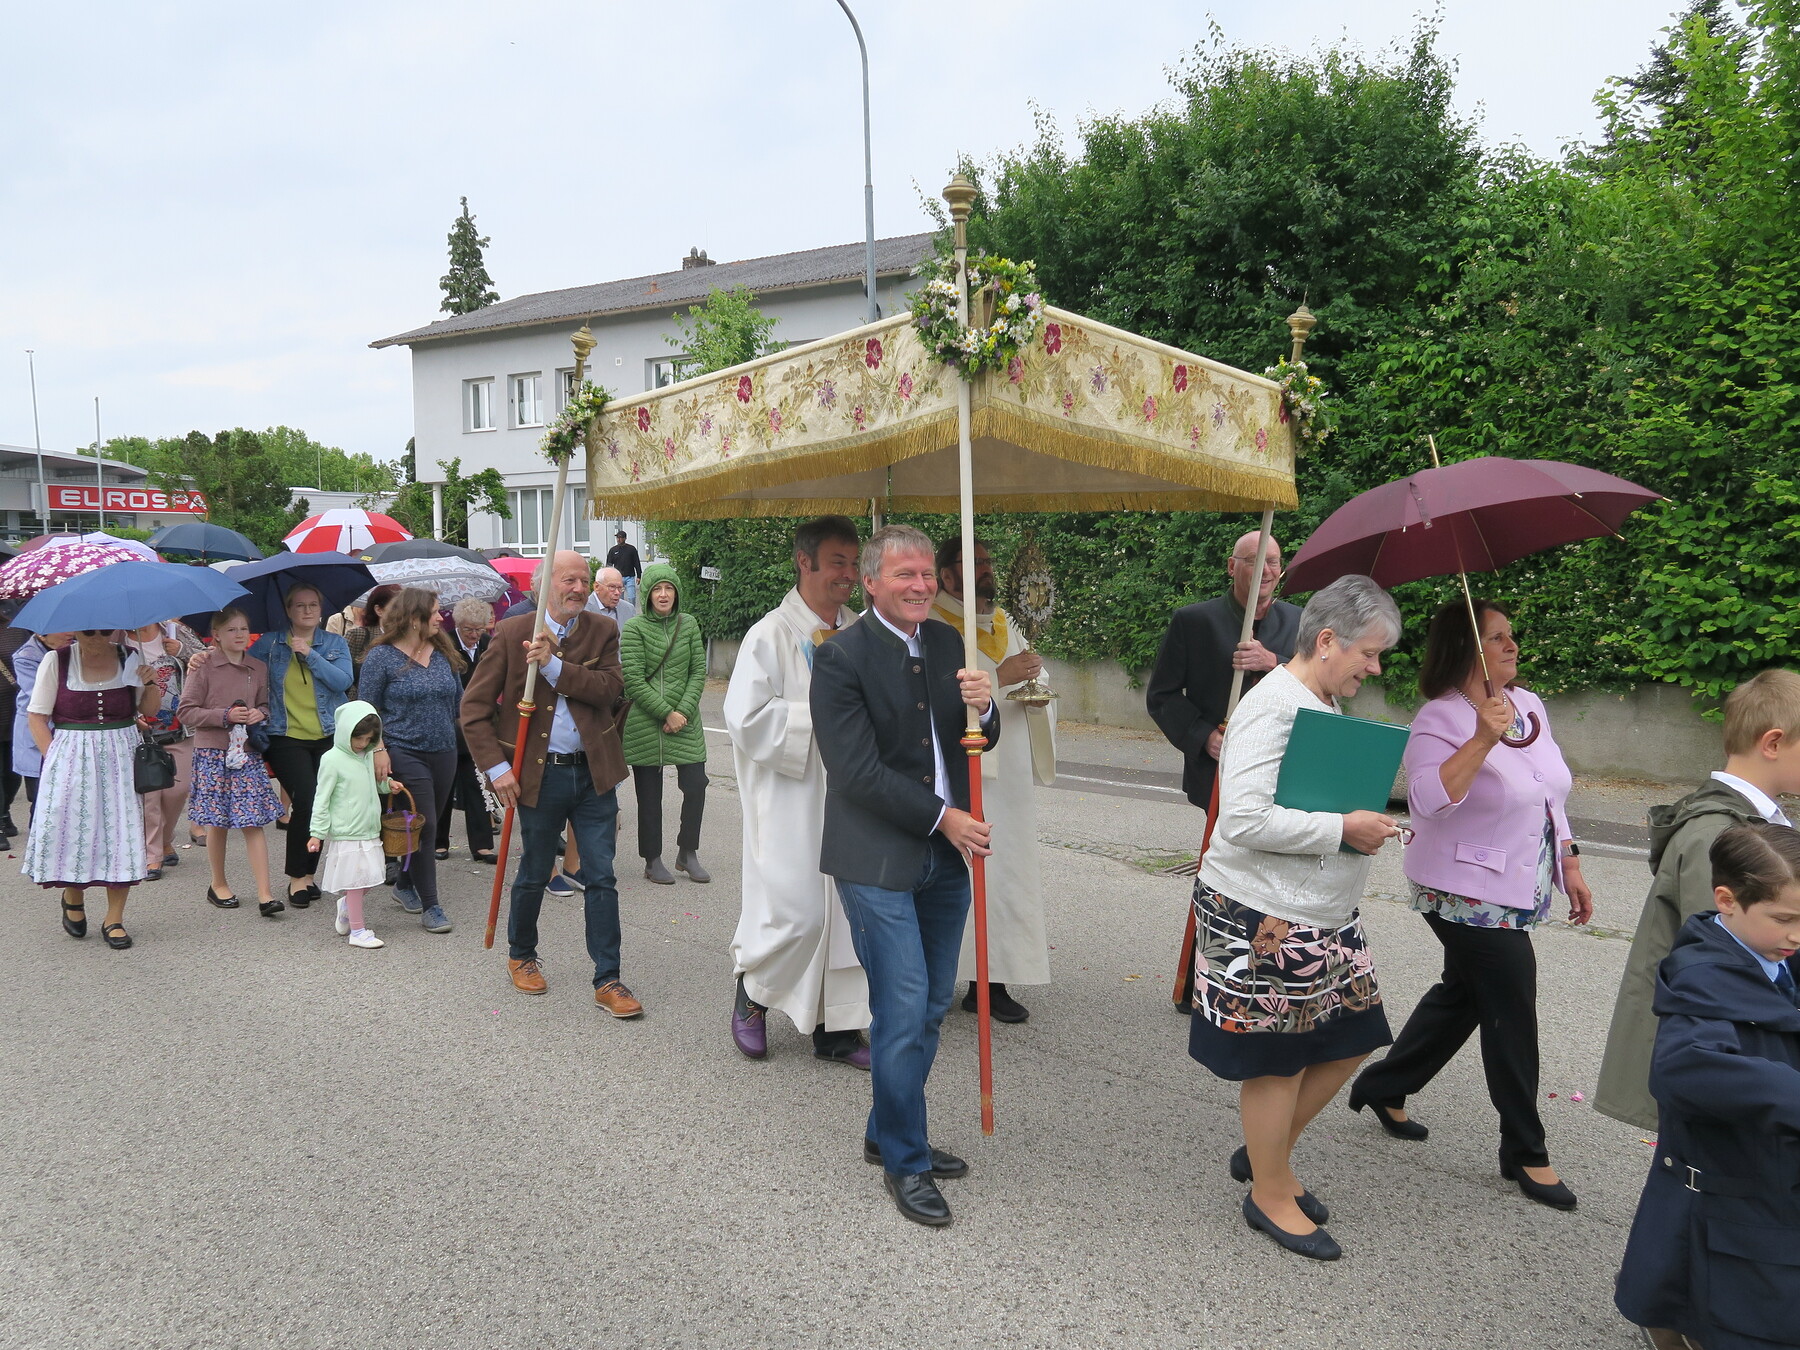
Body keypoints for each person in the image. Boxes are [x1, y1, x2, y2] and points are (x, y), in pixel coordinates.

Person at [1348, 600, 1593, 1210]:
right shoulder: (1440, 717)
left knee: (1465, 994)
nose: (1512, 646)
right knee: (1511, 1002)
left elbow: (1550, 793)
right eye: (1497, 638)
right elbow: (1427, 801)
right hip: (1459, 890)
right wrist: (1482, 738)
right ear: (1466, 649)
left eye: (1511, 636)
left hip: (1518, 884)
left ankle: (1384, 1085)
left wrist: (1569, 861)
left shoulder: (1528, 705)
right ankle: (1525, 1149)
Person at [1188, 574, 1402, 1262]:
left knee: (1353, 1037)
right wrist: (1343, 828)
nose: (1376, 669)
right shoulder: (1274, 706)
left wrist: (1361, 822)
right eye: (1369, 654)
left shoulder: (1319, 701)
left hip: (1322, 912)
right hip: (1262, 914)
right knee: (1276, 1064)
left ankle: (1266, 1155)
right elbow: (1243, 819)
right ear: (1328, 640)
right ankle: (1270, 1191)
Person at [810, 524, 997, 1229]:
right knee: (903, 1001)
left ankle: (886, 1130)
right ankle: (905, 1162)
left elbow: (974, 740)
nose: (921, 585)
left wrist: (987, 707)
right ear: (871, 583)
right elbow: (855, 772)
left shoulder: (949, 643)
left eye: (925, 574)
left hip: (945, 857)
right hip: (875, 857)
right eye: (904, 575)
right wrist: (945, 818)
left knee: (930, 1004)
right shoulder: (840, 657)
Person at [1614, 822, 1800, 1350]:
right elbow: (1684, 1066)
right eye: (1784, 919)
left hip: (1763, 1168)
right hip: (1730, 1177)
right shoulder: (1703, 976)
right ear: (1727, 901)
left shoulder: (1774, 951)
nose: (1797, 934)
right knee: (1733, 1304)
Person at [1594, 668, 1800, 1130]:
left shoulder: (1753, 822)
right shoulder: (1718, 832)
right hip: (1717, 1046)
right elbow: (1724, 955)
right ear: (1773, 743)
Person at [461, 549, 638, 1015]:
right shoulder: (512, 632)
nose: (578, 588)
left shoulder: (602, 629)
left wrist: (554, 666)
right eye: (568, 580)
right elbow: (473, 709)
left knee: (601, 875)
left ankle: (609, 978)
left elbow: (609, 689)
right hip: (538, 775)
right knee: (536, 869)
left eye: (583, 580)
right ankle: (521, 954)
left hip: (594, 772)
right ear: (542, 588)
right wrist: (497, 770)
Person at [725, 514, 870, 1066]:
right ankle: (754, 991)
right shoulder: (769, 634)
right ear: (804, 562)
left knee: (850, 914)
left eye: (854, 563)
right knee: (799, 911)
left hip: (852, 792)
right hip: (792, 793)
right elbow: (746, 718)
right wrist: (824, 717)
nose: (849, 574)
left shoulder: (862, 631)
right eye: (837, 562)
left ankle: (837, 1028)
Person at [933, 535, 1054, 1025]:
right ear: (946, 575)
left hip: (1011, 774)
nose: (986, 568)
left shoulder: (1007, 622)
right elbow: (940, 692)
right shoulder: (933, 624)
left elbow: (1033, 678)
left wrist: (1036, 687)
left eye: (987, 561)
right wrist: (1000, 677)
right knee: (965, 874)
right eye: (974, 562)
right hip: (965, 770)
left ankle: (992, 981)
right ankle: (947, 976)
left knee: (1007, 876)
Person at [23, 627, 162, 949]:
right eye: (89, 633)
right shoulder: (56, 661)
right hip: (71, 755)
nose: (97, 638)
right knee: (75, 831)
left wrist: (150, 682)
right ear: (77, 632)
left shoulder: (130, 657)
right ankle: (73, 895)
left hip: (120, 754)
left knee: (121, 834)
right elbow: (36, 717)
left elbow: (150, 710)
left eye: (104, 631)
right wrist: (54, 761)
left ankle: (114, 918)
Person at [1147, 530, 1302, 811]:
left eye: (1273, 562)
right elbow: (1162, 696)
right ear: (1232, 566)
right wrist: (1204, 737)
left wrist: (1272, 662)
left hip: (1281, 770)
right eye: (1254, 561)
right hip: (1218, 769)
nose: (1265, 571)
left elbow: (1317, 686)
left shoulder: (1300, 621)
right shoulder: (1193, 622)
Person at [358, 588, 465, 935]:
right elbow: (367, 709)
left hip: (445, 750)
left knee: (419, 825)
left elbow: (459, 703)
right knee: (428, 825)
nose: (440, 617)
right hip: (403, 750)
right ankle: (431, 905)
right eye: (434, 612)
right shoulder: (382, 657)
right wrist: (378, 748)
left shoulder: (444, 653)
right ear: (414, 618)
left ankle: (404, 883)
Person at [250, 584, 355, 907]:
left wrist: (310, 655)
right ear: (288, 610)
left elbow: (343, 682)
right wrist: (202, 659)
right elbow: (242, 670)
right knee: (307, 799)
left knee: (322, 804)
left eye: (313, 605)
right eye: (299, 605)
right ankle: (297, 877)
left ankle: (308, 875)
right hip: (284, 736)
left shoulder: (334, 643)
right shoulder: (270, 644)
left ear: (321, 610)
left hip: (328, 734)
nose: (307, 611)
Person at [178, 607, 287, 917]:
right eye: (231, 630)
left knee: (253, 821)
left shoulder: (257, 667)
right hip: (212, 752)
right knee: (217, 821)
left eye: (243, 629)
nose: (239, 635)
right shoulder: (203, 666)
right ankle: (218, 883)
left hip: (246, 751)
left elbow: (265, 705)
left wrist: (258, 714)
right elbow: (186, 711)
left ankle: (265, 894)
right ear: (216, 635)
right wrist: (223, 715)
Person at [620, 563, 709, 885]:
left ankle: (687, 852)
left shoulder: (689, 624)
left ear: (676, 593)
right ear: (647, 594)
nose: (663, 594)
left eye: (669, 588)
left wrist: (681, 711)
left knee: (696, 785)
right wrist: (665, 713)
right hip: (646, 721)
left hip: (686, 719)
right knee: (649, 796)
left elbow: (698, 671)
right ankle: (652, 859)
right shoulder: (634, 628)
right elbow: (632, 680)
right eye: (657, 589)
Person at [306, 701, 398, 950]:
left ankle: (346, 906)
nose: (362, 743)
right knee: (357, 882)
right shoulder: (332, 759)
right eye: (358, 738)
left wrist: (387, 785)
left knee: (369, 878)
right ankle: (357, 930)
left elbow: (373, 782)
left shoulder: (367, 755)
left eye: (368, 739)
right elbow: (321, 799)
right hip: (348, 831)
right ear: (346, 731)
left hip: (369, 828)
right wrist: (317, 833)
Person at [130, 622, 206, 881]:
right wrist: (132, 716)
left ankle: (164, 839)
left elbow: (209, 658)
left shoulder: (174, 630)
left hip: (181, 727)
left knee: (178, 790)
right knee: (150, 797)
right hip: (142, 733)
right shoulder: (118, 640)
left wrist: (182, 650)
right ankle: (152, 855)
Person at [435, 598, 497, 864]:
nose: (474, 635)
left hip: (477, 722)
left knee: (476, 783)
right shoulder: (444, 645)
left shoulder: (487, 644)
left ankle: (482, 845)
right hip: (449, 722)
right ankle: (439, 841)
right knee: (445, 784)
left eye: (479, 629)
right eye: (469, 629)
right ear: (458, 625)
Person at [12, 631, 73, 815]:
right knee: (41, 799)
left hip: (68, 732)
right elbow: (39, 697)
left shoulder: (76, 649)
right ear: (41, 635)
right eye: (62, 629)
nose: (70, 633)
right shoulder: (26, 657)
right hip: (38, 734)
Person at [344, 584, 401, 676]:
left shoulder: (408, 638)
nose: (401, 612)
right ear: (379, 610)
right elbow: (344, 674)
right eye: (395, 607)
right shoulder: (357, 635)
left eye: (404, 607)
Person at [606, 529, 643, 605]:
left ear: (625, 538)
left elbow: (636, 562)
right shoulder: (613, 550)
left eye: (620, 537)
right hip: (618, 578)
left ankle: (632, 609)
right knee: (619, 597)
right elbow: (609, 564)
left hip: (630, 577)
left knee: (631, 597)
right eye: (617, 538)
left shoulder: (631, 549)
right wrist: (608, 576)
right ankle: (620, 610)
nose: (618, 539)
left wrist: (639, 575)